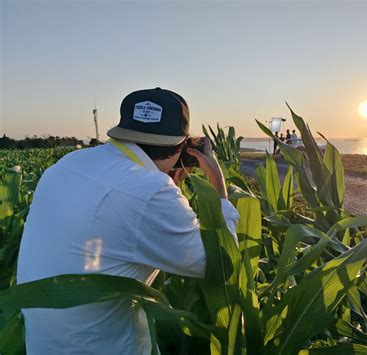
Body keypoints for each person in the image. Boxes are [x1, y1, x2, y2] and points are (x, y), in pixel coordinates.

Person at [16, 87, 240, 354]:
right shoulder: (151, 191)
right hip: (104, 345)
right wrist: (220, 190)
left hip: (45, 343)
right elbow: (220, 262)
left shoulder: (66, 164)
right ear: (181, 148)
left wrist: (166, 182)